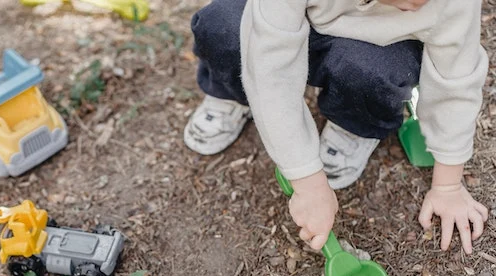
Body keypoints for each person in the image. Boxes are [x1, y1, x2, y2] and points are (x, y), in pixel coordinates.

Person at [184, 0, 489, 254]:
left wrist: (448, 186)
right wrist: (307, 180)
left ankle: (355, 120)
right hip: (285, 18)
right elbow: (270, 67)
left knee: (377, 73)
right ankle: (231, 90)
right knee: (224, 27)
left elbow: (456, 84)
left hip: (375, 46)